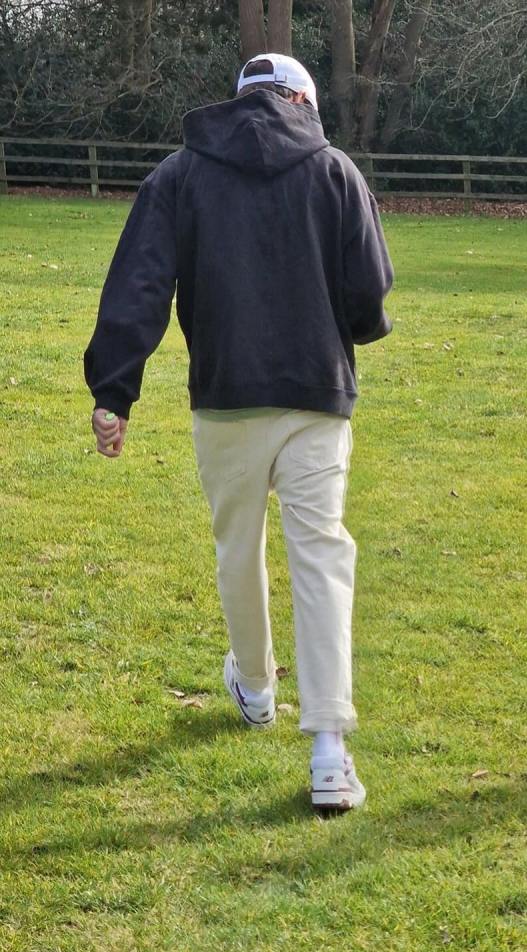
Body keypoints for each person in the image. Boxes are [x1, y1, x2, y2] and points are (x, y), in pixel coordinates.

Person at [84, 53, 393, 812]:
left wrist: (114, 390)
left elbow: (140, 281)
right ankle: (328, 750)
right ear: (301, 100)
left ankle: (255, 688)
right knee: (321, 557)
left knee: (238, 547)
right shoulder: (334, 170)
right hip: (317, 395)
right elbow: (369, 294)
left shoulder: (181, 174)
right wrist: (356, 325)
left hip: (223, 396)